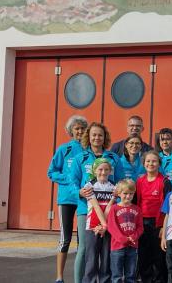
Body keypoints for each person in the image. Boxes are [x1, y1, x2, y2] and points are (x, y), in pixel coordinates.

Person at [71, 122, 123, 283]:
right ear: (88, 136)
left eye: (100, 135)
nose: (97, 137)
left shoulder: (114, 158)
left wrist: (118, 198)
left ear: (105, 137)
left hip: (109, 210)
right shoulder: (80, 158)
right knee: (85, 249)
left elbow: (120, 182)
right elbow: (72, 182)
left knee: (107, 250)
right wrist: (79, 191)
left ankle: (104, 279)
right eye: (94, 134)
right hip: (85, 210)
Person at [47, 115, 87, 283]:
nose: (79, 131)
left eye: (82, 128)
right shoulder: (64, 149)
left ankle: (81, 277)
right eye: (76, 128)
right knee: (65, 238)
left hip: (84, 199)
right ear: (71, 131)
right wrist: (69, 178)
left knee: (83, 242)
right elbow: (52, 172)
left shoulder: (89, 150)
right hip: (67, 199)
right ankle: (59, 277)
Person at [136, 150, 172, 283]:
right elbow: (135, 203)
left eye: (154, 161)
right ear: (144, 163)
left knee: (159, 258)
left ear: (159, 163)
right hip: (142, 224)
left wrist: (164, 226)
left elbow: (168, 206)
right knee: (144, 257)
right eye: (148, 161)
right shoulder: (139, 181)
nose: (151, 164)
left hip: (158, 224)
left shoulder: (164, 181)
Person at [82, 158, 116, 283]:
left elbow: (110, 207)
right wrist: (103, 225)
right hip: (92, 227)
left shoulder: (114, 187)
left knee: (106, 258)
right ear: (95, 170)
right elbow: (96, 206)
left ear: (110, 171)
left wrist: (105, 226)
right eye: (100, 169)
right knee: (91, 259)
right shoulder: (89, 185)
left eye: (106, 169)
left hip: (107, 227)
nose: (103, 172)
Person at [107, 179, 144, 283]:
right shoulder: (114, 209)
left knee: (131, 276)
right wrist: (122, 238)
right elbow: (111, 226)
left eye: (131, 194)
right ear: (119, 193)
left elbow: (140, 227)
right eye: (125, 193)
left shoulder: (137, 209)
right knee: (117, 276)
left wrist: (134, 236)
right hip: (117, 247)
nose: (128, 196)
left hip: (132, 246)